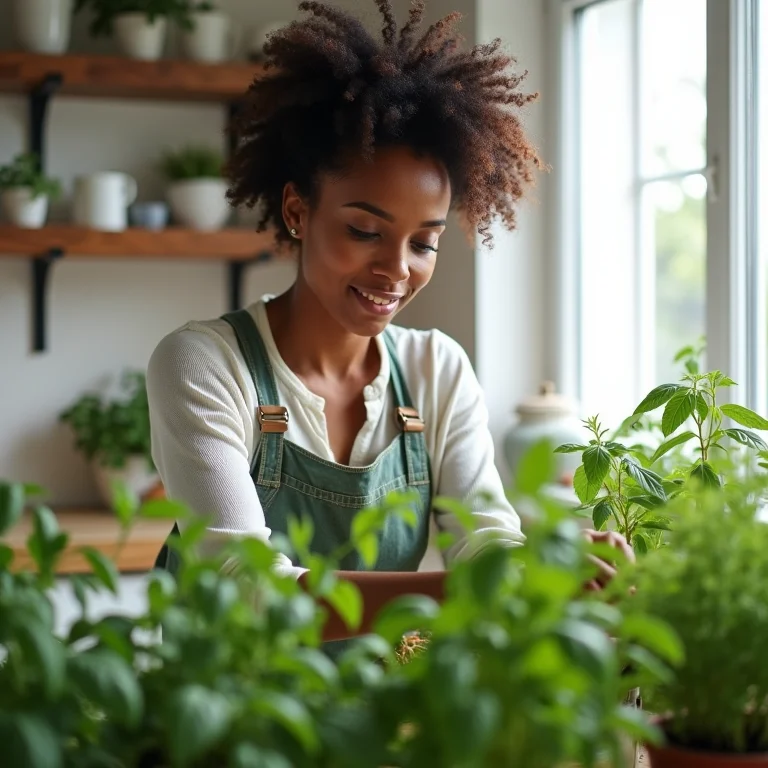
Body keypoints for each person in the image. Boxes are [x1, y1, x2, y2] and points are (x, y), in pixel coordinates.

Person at [147, 0, 632, 645]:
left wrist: (550, 563)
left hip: (378, 699)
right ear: (297, 210)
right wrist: (475, 589)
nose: (397, 269)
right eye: (364, 231)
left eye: (424, 242)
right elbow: (244, 587)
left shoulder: (437, 370)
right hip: (227, 703)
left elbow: (486, 540)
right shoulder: (206, 364)